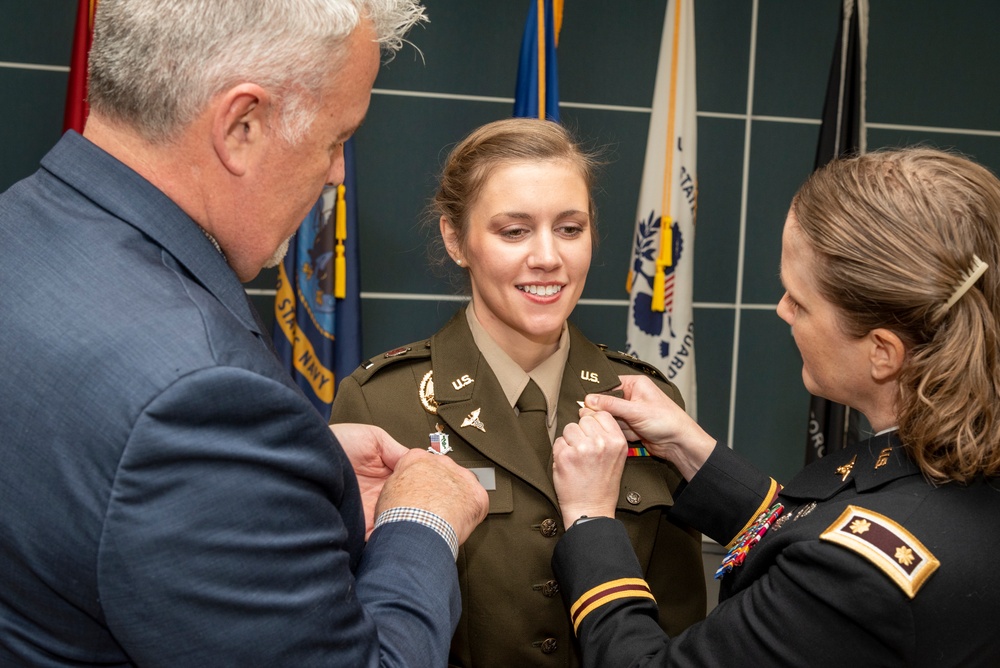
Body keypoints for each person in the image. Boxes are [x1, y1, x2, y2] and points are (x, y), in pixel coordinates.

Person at [0, 1, 490, 666]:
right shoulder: (201, 399)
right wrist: (421, 518)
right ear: (243, 125)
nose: (338, 172)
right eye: (335, 138)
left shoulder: (20, 226)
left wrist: (274, 482)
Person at [550, 147, 1000, 667]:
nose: (782, 309)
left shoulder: (855, 576)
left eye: (800, 301)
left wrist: (589, 522)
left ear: (883, 352)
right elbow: (831, 525)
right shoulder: (950, 462)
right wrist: (690, 448)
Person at [330, 117, 706, 667]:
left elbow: (678, 620)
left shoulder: (646, 401)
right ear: (455, 240)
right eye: (514, 231)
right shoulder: (381, 403)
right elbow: (353, 621)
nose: (548, 257)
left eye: (570, 229)